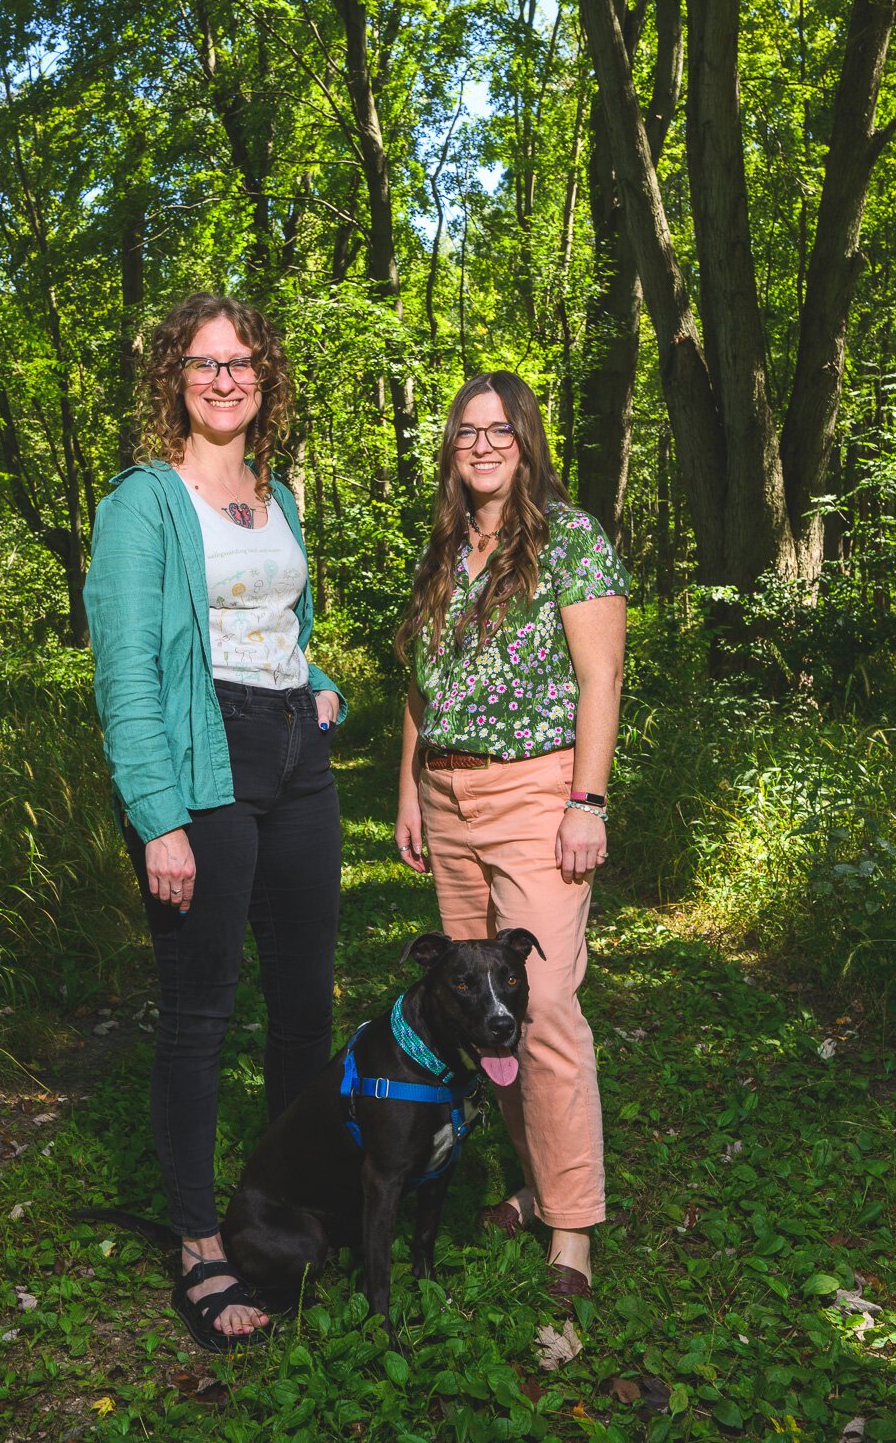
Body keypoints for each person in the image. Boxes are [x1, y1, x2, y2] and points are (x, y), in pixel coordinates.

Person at [84, 292, 343, 1351]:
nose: (224, 377)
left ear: (264, 374)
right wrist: (158, 818)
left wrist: (320, 683)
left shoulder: (275, 489)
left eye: (241, 360)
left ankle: (285, 1216)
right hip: (204, 756)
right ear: (174, 379)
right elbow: (131, 673)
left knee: (301, 1007)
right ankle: (199, 1241)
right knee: (200, 1014)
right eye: (203, 362)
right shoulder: (144, 503)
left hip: (299, 755)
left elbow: (285, 619)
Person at [394, 371, 628, 1308]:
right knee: (479, 1013)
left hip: (536, 791)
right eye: (465, 432)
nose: (481, 445)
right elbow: (421, 680)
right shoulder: (445, 546)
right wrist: (409, 789)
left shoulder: (569, 539)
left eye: (499, 430)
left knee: (548, 1012)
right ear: (450, 447)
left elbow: (599, 679)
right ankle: (532, 1191)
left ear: (526, 441)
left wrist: (588, 802)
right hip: (444, 794)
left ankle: (571, 1224)